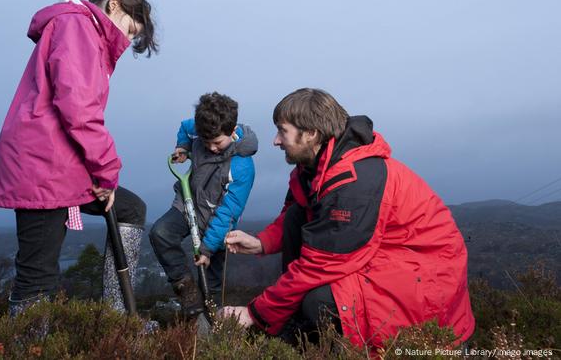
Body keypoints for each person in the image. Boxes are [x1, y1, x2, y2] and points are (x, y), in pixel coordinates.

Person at [222, 88, 475, 348]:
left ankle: (336, 346)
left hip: (423, 276)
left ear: (311, 134)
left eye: (282, 131)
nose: (275, 141)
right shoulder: (314, 167)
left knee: (319, 301)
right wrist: (261, 243)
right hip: (384, 254)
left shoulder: (353, 184)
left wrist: (254, 313)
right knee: (298, 215)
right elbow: (294, 214)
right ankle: (299, 325)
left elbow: (318, 265)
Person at [0, 0, 158, 316]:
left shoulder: (84, 31)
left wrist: (99, 174)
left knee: (129, 208)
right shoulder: (77, 26)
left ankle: (118, 314)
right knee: (38, 278)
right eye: (129, 28)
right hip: (42, 169)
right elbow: (79, 110)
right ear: (114, 5)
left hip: (63, 167)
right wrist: (107, 172)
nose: (126, 41)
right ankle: (27, 347)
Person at [149, 92, 257, 317]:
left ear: (232, 129)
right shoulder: (199, 128)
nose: (211, 148)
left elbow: (228, 212)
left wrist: (207, 249)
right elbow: (185, 127)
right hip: (188, 205)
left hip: (216, 224)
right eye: (206, 142)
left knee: (211, 285)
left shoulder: (242, 167)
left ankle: (211, 326)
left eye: (217, 142)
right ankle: (186, 289)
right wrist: (183, 146)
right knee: (160, 233)